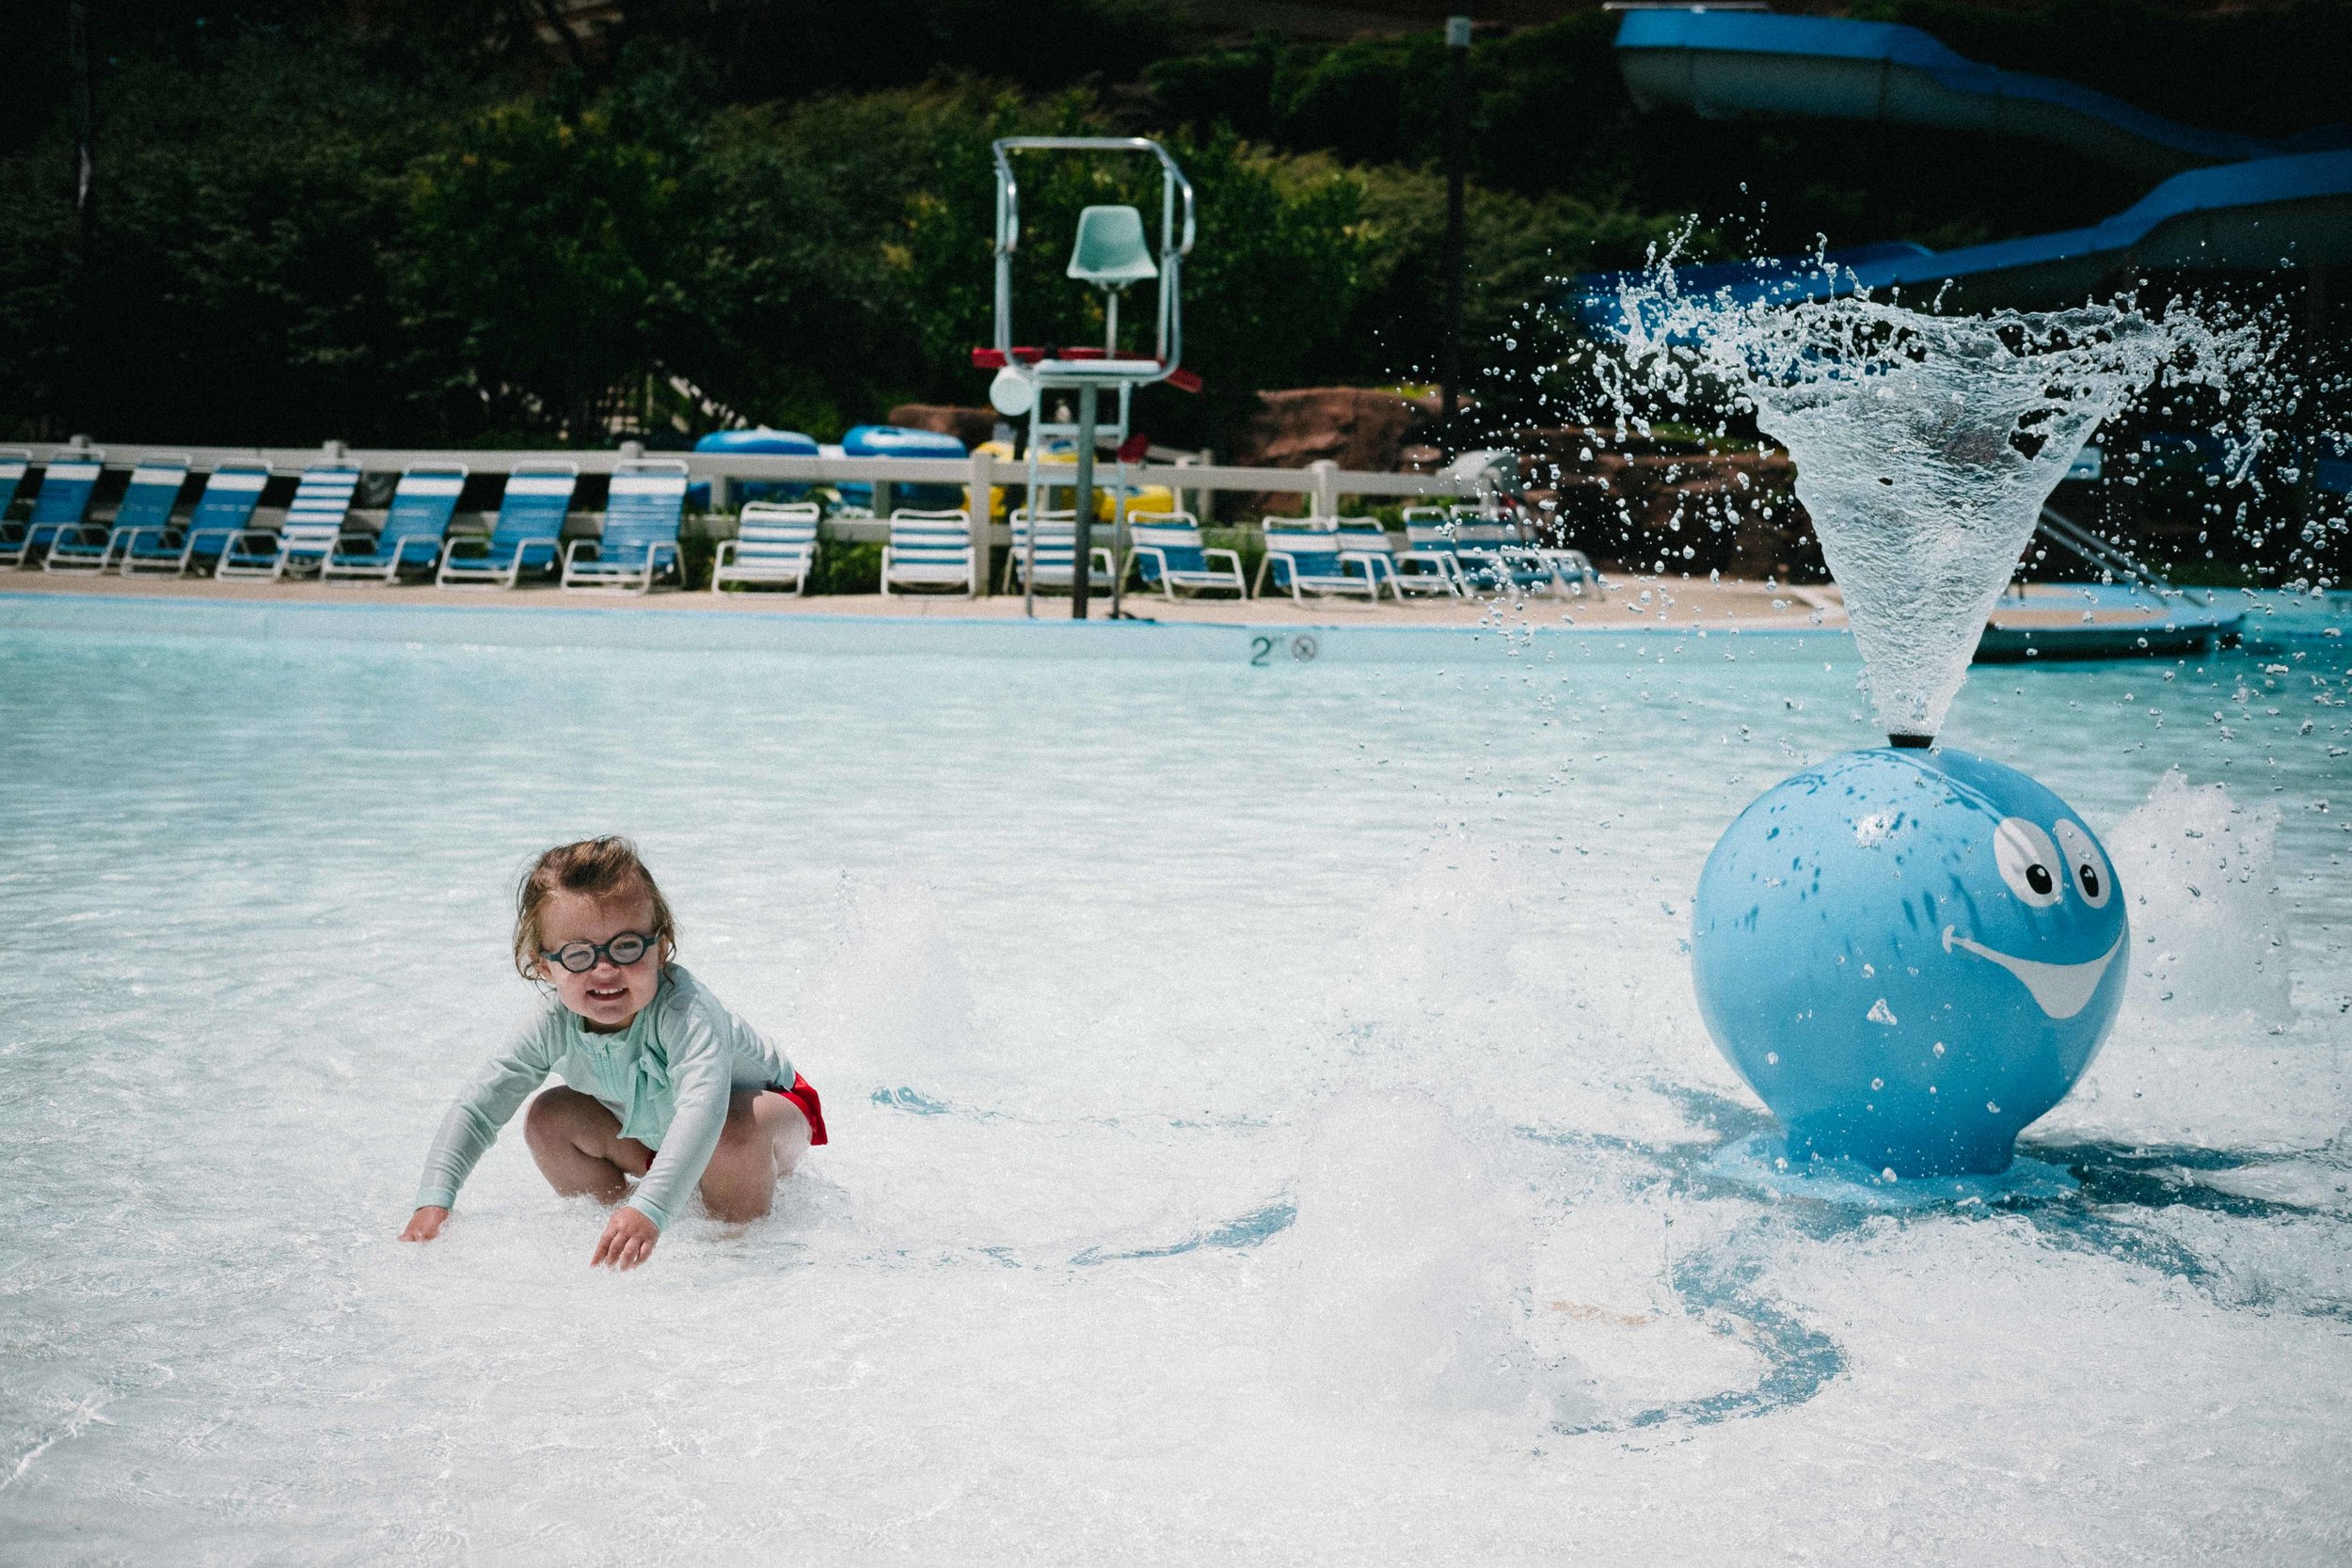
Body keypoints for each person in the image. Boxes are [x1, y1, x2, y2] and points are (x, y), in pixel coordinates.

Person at [399, 836, 826, 1270]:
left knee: (731, 1129)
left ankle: (736, 1248)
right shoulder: (552, 1024)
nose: (605, 970)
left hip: (769, 1123)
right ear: (545, 967)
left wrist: (652, 1208)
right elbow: (478, 1108)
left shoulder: (687, 1011)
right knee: (549, 1118)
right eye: (578, 954)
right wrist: (434, 1201)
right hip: (661, 1138)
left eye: (626, 946)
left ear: (661, 949)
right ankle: (619, 1231)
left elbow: (703, 1111)